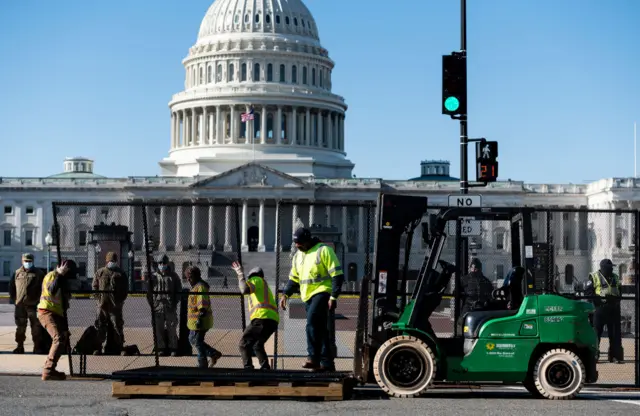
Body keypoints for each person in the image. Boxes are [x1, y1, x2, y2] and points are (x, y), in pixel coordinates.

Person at [279, 228, 344, 372]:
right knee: (320, 330)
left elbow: (337, 275)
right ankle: (327, 364)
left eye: (300, 243)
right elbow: (293, 279)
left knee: (312, 322)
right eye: (295, 243)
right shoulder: (298, 256)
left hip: (322, 292)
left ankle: (313, 358)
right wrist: (285, 294)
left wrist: (334, 296)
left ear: (308, 240)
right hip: (307, 296)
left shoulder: (324, 250)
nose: (297, 245)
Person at [232, 261, 279, 370]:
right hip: (272, 320)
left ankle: (248, 369)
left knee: (243, 344)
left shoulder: (256, 280)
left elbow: (244, 289)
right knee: (257, 345)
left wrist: (240, 274)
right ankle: (265, 368)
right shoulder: (263, 284)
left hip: (262, 318)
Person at [37, 259, 76, 381]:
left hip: (55, 313)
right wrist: (59, 274)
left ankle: (51, 369)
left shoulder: (63, 280)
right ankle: (48, 370)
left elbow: (63, 303)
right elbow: (51, 291)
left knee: (63, 337)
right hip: (46, 312)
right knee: (58, 338)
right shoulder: (52, 275)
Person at [584, 259, 623, 363]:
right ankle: (595, 355)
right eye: (609, 268)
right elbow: (588, 292)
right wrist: (599, 300)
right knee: (596, 333)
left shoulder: (615, 277)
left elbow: (620, 291)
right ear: (603, 268)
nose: (611, 270)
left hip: (613, 308)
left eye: (612, 268)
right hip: (599, 309)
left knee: (614, 334)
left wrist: (616, 300)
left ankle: (614, 356)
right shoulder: (594, 276)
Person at [185, 266, 222, 368]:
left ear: (197, 276)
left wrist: (200, 318)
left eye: (190, 277)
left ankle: (202, 363)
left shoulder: (200, 287)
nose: (188, 279)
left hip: (201, 320)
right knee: (193, 339)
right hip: (195, 321)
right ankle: (213, 353)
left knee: (196, 341)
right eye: (187, 277)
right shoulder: (195, 287)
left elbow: (203, 305)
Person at [92, 252, 129, 355]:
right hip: (102, 305)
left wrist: (120, 301)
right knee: (100, 326)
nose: (112, 263)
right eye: (110, 261)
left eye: (113, 261)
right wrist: (98, 299)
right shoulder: (100, 272)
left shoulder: (121, 273)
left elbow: (125, 289)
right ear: (107, 261)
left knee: (117, 326)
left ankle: (120, 347)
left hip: (115, 306)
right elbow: (94, 286)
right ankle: (98, 347)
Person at [9, 253, 46, 354]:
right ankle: (19, 346)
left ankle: (37, 347)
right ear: (22, 261)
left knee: (36, 327)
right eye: (26, 261)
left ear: (33, 261)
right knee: (20, 327)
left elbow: (43, 289)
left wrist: (40, 301)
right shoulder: (17, 273)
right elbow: (12, 287)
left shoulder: (39, 273)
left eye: (29, 261)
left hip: (34, 306)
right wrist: (14, 299)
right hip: (20, 306)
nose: (27, 263)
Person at [149, 254, 182, 356]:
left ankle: (173, 347)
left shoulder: (174, 276)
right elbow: (149, 293)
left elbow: (178, 291)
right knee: (158, 328)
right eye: (160, 263)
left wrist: (175, 303)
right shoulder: (153, 277)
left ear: (167, 264)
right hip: (158, 306)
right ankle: (161, 347)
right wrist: (153, 304)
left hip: (170, 306)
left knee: (172, 328)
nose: (162, 265)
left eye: (164, 263)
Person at [458, 258, 494, 332]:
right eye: (472, 268)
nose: (474, 270)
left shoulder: (485, 281)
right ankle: (461, 337)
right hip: (469, 305)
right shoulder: (465, 279)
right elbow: (457, 291)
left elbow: (491, 294)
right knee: (461, 322)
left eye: (476, 268)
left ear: (480, 269)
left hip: (482, 306)